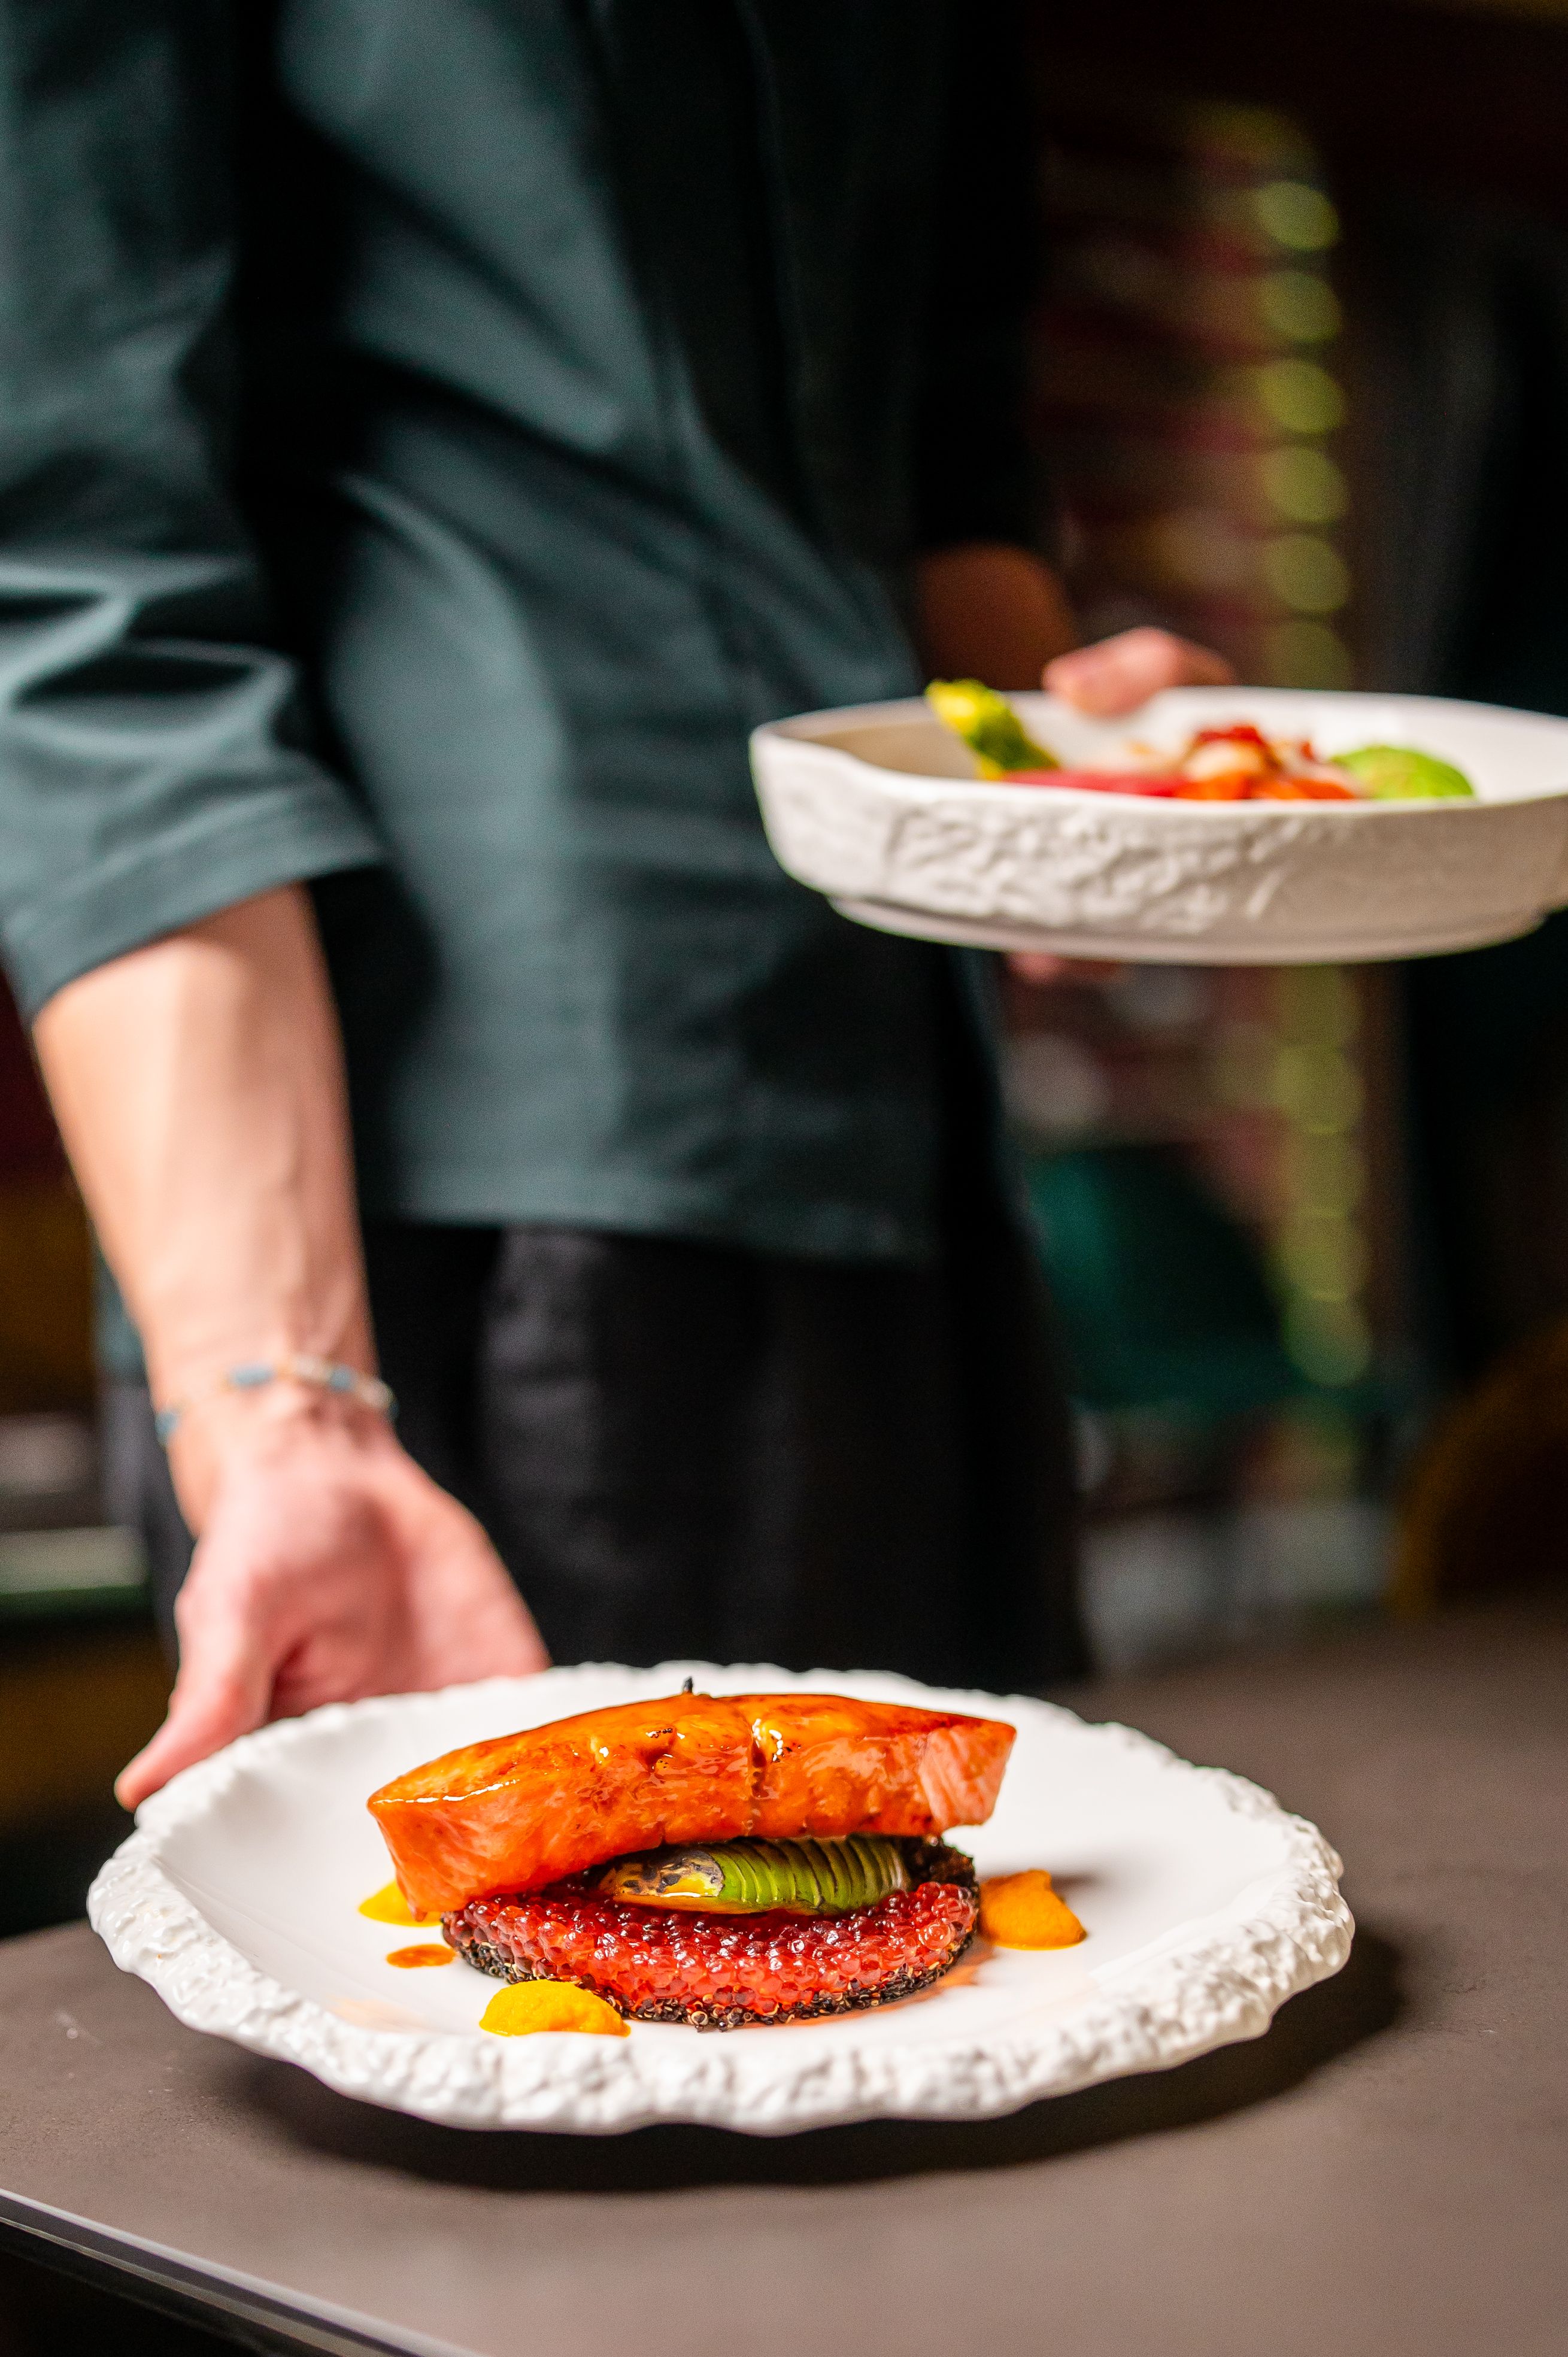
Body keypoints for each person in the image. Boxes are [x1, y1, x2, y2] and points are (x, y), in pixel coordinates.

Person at [0, 3, 1230, 1810]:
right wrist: (286, 1418)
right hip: (453, 1228)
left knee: (984, 1920)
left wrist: (1069, 783)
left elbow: (947, 448)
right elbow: (88, 598)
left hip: (914, 1130)